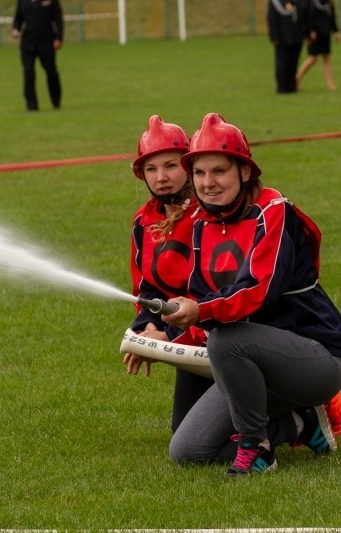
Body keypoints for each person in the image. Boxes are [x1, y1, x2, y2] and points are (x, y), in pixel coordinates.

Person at [164, 113, 341, 476]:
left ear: (245, 172)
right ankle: (299, 424)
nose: (208, 183)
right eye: (200, 173)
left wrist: (199, 310)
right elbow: (201, 302)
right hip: (246, 359)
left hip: (315, 358)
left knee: (224, 338)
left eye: (219, 171)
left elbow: (258, 291)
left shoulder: (274, 211)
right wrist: (162, 340)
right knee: (187, 449)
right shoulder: (203, 224)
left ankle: (258, 448)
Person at [124, 115, 213, 433]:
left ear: (189, 166)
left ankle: (299, 416)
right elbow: (146, 288)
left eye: (171, 166)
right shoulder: (142, 222)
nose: (161, 177)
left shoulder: (209, 214)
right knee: (186, 433)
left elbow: (215, 297)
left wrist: (169, 339)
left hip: (221, 338)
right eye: (151, 168)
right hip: (187, 342)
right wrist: (146, 329)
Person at [12, 0, 64, 111]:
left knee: (51, 71)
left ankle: (56, 102)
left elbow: (58, 19)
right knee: (28, 72)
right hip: (28, 42)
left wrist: (59, 38)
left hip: (46, 41)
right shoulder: (23, 1)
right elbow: (18, 19)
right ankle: (32, 106)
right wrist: (16, 29)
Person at [296, 0, 341, 91]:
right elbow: (307, 16)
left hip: (325, 32)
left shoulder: (328, 2)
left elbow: (331, 16)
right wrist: (310, 31)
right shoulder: (311, 2)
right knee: (313, 57)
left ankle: (330, 84)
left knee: (326, 57)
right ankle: (296, 79)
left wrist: (336, 31)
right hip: (315, 34)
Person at [267, 0, 308, 93]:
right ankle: (282, 87)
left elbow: (304, 12)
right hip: (282, 37)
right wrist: (274, 36)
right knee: (282, 62)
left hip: (296, 35)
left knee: (293, 62)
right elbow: (271, 18)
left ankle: (292, 86)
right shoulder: (275, 2)